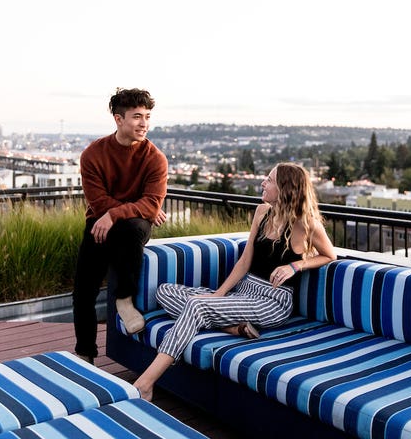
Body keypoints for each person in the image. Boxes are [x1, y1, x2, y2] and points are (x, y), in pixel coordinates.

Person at [133, 162, 336, 401]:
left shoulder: (306, 224)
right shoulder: (262, 212)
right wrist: (218, 295)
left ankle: (145, 383)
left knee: (197, 306)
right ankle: (231, 327)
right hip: (243, 292)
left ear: (285, 188)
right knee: (165, 291)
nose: (263, 183)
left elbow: (330, 255)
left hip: (272, 301)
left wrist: (296, 265)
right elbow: (244, 261)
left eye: (269, 180)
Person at [73, 88, 168, 365]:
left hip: (131, 226)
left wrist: (117, 214)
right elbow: (97, 200)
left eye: (147, 117)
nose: (144, 124)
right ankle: (85, 353)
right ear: (118, 119)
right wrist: (127, 210)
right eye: (137, 117)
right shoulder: (93, 154)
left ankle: (123, 298)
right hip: (99, 223)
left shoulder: (155, 158)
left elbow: (150, 204)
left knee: (131, 229)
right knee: (83, 291)